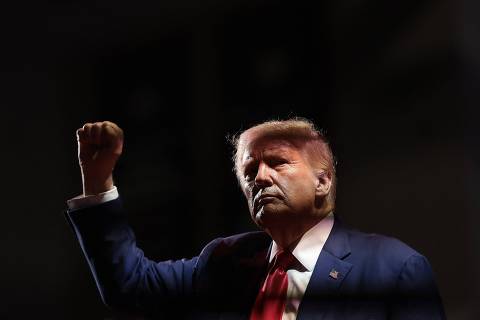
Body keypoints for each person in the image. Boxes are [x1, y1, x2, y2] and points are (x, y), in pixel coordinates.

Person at [66, 118, 446, 319]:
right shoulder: (223, 262)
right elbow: (130, 287)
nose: (260, 177)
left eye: (278, 162)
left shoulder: (393, 268)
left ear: (322, 180)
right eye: (249, 171)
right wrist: (98, 179)